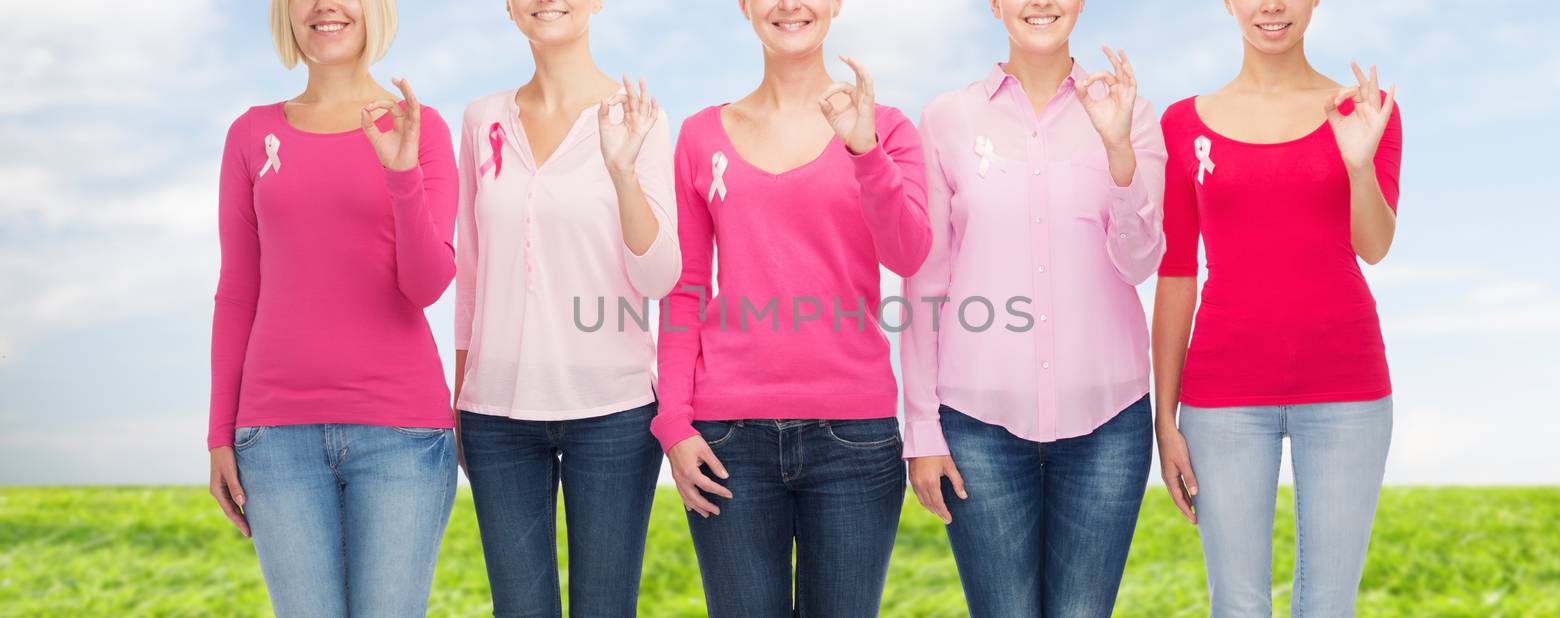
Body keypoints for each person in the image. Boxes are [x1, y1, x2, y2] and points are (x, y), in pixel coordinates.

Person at [654, 0, 932, 614]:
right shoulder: (701, 135)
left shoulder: (885, 128)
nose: (789, 6)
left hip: (854, 440)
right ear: (746, 7)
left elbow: (908, 254)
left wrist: (865, 153)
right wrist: (674, 423)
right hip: (727, 441)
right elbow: (686, 287)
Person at [902, 0, 1165, 614]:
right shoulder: (947, 119)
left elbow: (1140, 263)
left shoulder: (1135, 113)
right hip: (976, 425)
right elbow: (925, 281)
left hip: (1110, 422)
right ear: (994, 5)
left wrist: (1119, 150)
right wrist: (921, 428)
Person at [206, 0, 459, 615]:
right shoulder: (250, 133)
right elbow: (238, 287)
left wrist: (400, 173)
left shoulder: (420, 130)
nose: (325, 5)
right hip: (274, 438)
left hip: (401, 433)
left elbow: (427, 285)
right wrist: (220, 433)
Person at [1152, 0, 1403, 616]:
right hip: (1222, 397)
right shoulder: (1182, 123)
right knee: (1236, 605)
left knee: (1328, 605)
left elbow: (1375, 246)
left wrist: (1358, 162)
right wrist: (1165, 416)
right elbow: (1177, 270)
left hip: (1348, 391)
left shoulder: (1363, 111)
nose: (1271, 6)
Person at [452, 0, 680, 616]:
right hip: (496, 415)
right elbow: (470, 272)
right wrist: (460, 397)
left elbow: (659, 278)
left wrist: (623, 172)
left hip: (615, 414)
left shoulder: (641, 118)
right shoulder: (481, 121)